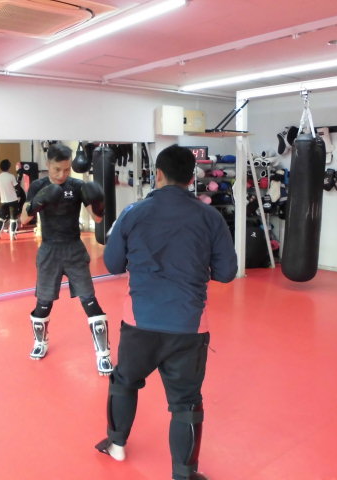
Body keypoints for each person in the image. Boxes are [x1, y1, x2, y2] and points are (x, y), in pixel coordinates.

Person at [94, 145, 238, 480]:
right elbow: (227, 272)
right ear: (191, 178)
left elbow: (112, 264)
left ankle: (117, 444)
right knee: (186, 402)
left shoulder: (133, 212)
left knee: (124, 381)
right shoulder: (210, 217)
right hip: (188, 326)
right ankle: (184, 474)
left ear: (157, 174)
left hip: (140, 322)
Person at [19, 143, 113, 375]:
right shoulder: (38, 186)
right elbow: (23, 220)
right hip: (49, 251)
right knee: (43, 303)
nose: (62, 174)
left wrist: (99, 204)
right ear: (48, 164)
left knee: (89, 300)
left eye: (67, 169)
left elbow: (97, 220)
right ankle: (40, 342)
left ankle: (103, 354)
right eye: (57, 169)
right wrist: (37, 203)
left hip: (74, 249)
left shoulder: (78, 186)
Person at [0, 159, 25, 240]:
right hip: (13, 200)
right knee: (13, 219)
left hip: (3, 201)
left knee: (1, 218)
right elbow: (17, 188)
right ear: (9, 166)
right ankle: (12, 236)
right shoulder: (11, 176)